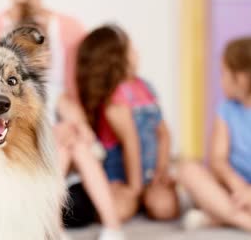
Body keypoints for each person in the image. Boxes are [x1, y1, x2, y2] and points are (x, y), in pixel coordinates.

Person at [0, 0, 125, 239]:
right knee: (62, 147)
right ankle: (53, 229)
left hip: (63, 156)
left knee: (74, 145)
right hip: (26, 154)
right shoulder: (15, 95)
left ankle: (112, 227)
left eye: (42, 49)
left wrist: (76, 131)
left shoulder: (56, 92)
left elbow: (82, 127)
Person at [76, 25, 180, 222]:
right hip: (122, 175)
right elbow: (131, 143)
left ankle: (146, 196)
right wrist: (134, 188)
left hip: (151, 172)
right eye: (132, 49)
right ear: (116, 59)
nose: (137, 53)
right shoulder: (114, 100)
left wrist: (161, 171)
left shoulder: (145, 87)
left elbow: (164, 133)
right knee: (117, 211)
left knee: (165, 209)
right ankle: (134, 197)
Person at [179, 37, 251, 238]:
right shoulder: (226, 110)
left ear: (242, 78)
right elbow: (218, 160)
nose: (220, 80)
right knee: (187, 170)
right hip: (230, 189)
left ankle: (216, 217)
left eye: (223, 73)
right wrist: (239, 187)